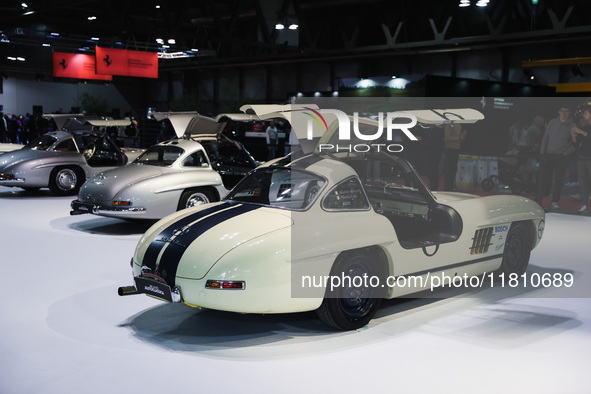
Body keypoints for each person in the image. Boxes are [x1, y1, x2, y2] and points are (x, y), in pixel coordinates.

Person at [535, 104, 577, 208]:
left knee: (559, 180)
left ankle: (555, 200)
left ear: (569, 112)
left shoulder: (573, 126)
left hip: (561, 156)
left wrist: (567, 152)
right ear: (559, 112)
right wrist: (542, 152)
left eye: (566, 111)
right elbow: (546, 138)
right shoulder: (552, 123)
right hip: (549, 155)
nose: (564, 113)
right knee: (545, 178)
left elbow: (575, 143)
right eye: (562, 111)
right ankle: (539, 199)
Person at [571, 105, 591, 213]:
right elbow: (576, 144)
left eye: (586, 113)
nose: (584, 115)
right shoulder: (584, 127)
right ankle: (584, 204)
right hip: (581, 157)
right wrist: (574, 136)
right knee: (582, 182)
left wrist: (580, 131)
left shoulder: (584, 129)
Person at [443, 122, 467, 191]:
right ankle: (447, 189)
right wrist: (459, 138)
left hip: (456, 149)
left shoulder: (458, 125)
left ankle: (450, 187)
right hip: (450, 149)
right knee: (449, 170)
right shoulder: (450, 124)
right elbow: (447, 138)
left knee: (453, 170)